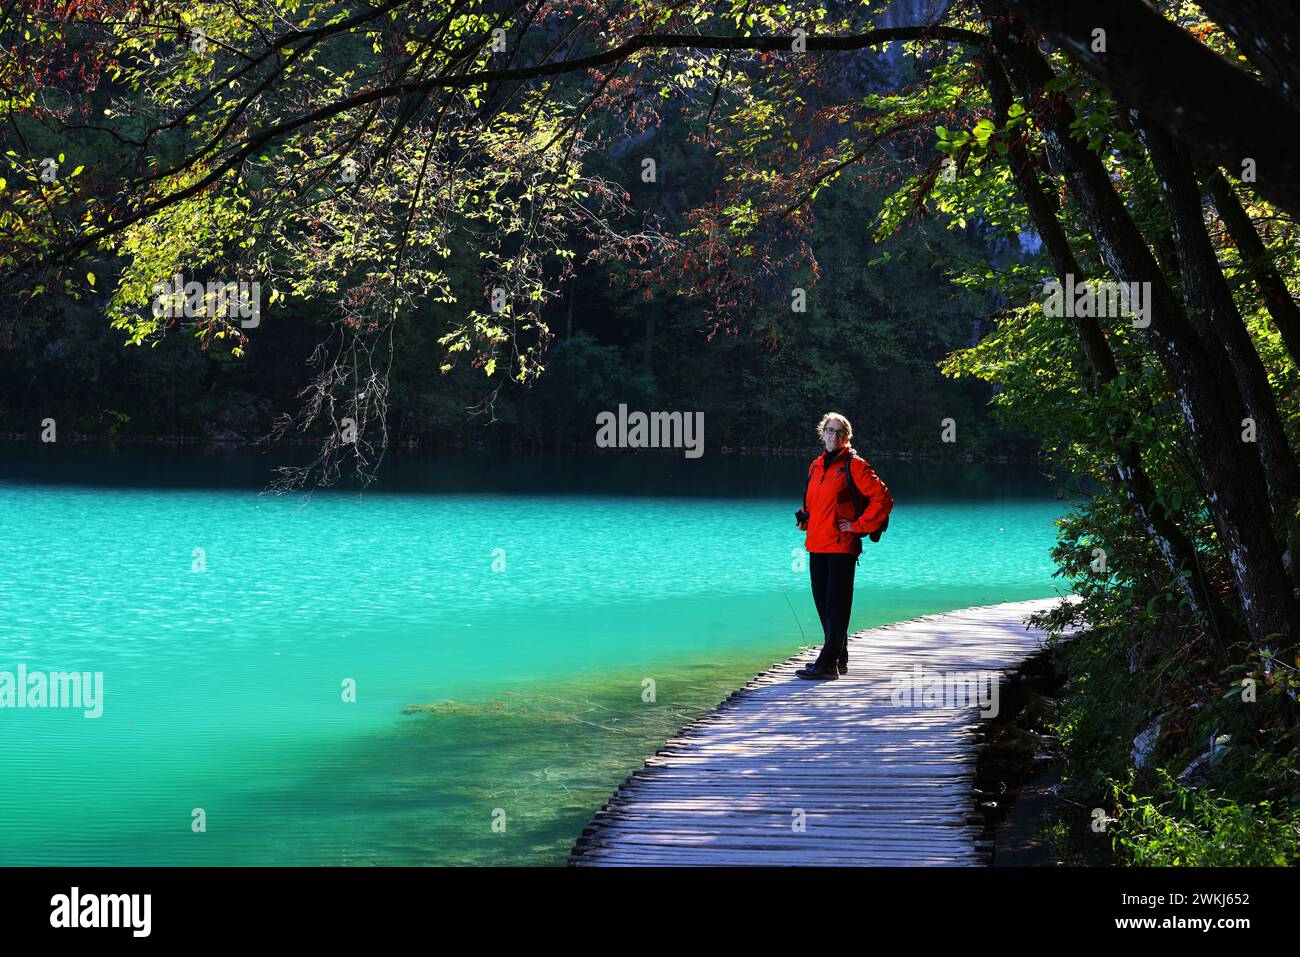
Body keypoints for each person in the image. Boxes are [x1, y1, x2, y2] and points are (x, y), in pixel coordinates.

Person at [794, 412, 893, 680]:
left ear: (847, 437)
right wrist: (806, 518)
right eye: (830, 430)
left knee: (836, 604)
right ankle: (840, 656)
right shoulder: (816, 465)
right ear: (822, 433)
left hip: (841, 546)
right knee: (823, 604)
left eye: (840, 432)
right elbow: (814, 502)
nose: (834, 435)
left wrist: (858, 526)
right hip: (816, 543)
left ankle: (827, 663)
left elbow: (883, 500)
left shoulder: (856, 465)